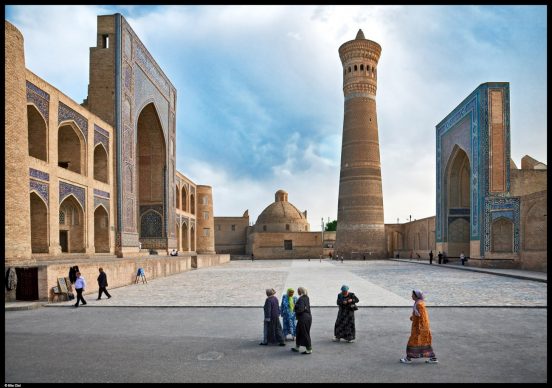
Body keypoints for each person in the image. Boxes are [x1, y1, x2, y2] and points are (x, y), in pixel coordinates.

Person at [400, 290, 438, 364]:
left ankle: (408, 358)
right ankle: (433, 358)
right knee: (424, 342)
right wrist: (413, 317)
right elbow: (418, 314)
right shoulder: (418, 303)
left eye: (412, 295)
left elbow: (423, 317)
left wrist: (422, 327)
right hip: (418, 327)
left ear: (416, 296)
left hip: (420, 328)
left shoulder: (419, 304)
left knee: (412, 342)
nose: (411, 296)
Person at [291, 287, 312, 354]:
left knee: (304, 333)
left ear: (300, 291)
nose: (297, 292)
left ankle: (309, 349)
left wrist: (295, 308)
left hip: (303, 318)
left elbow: (301, 309)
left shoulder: (301, 299)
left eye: (298, 291)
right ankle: (297, 347)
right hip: (307, 317)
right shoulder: (306, 297)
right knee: (299, 331)